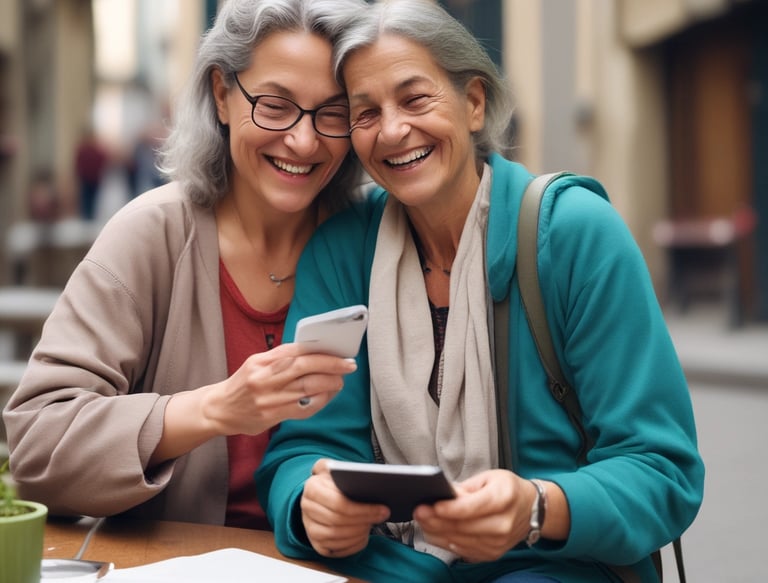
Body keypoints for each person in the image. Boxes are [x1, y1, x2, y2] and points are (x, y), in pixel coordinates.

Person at [257, 1, 705, 581]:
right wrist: (308, 503)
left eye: (415, 100)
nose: (392, 130)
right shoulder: (342, 251)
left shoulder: (574, 234)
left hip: (555, 567)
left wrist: (537, 508)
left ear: (474, 103)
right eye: (365, 113)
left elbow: (661, 470)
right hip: (388, 566)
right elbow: (301, 447)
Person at [2, 0, 367, 529]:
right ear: (221, 94)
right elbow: (37, 449)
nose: (304, 140)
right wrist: (215, 408)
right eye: (274, 106)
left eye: (332, 113)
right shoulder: (150, 235)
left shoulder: (371, 240)